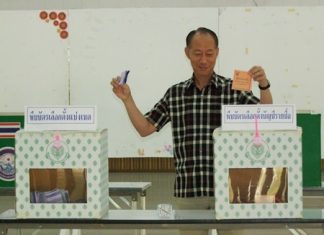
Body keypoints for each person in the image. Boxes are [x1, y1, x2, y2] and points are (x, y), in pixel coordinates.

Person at [111, 27, 273, 235]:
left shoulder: (234, 89)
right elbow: (145, 128)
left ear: (217, 53)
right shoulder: (175, 94)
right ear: (187, 53)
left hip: (230, 188)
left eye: (209, 53)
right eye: (197, 53)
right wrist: (127, 100)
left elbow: (267, 116)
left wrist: (264, 85)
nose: (203, 60)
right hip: (189, 190)